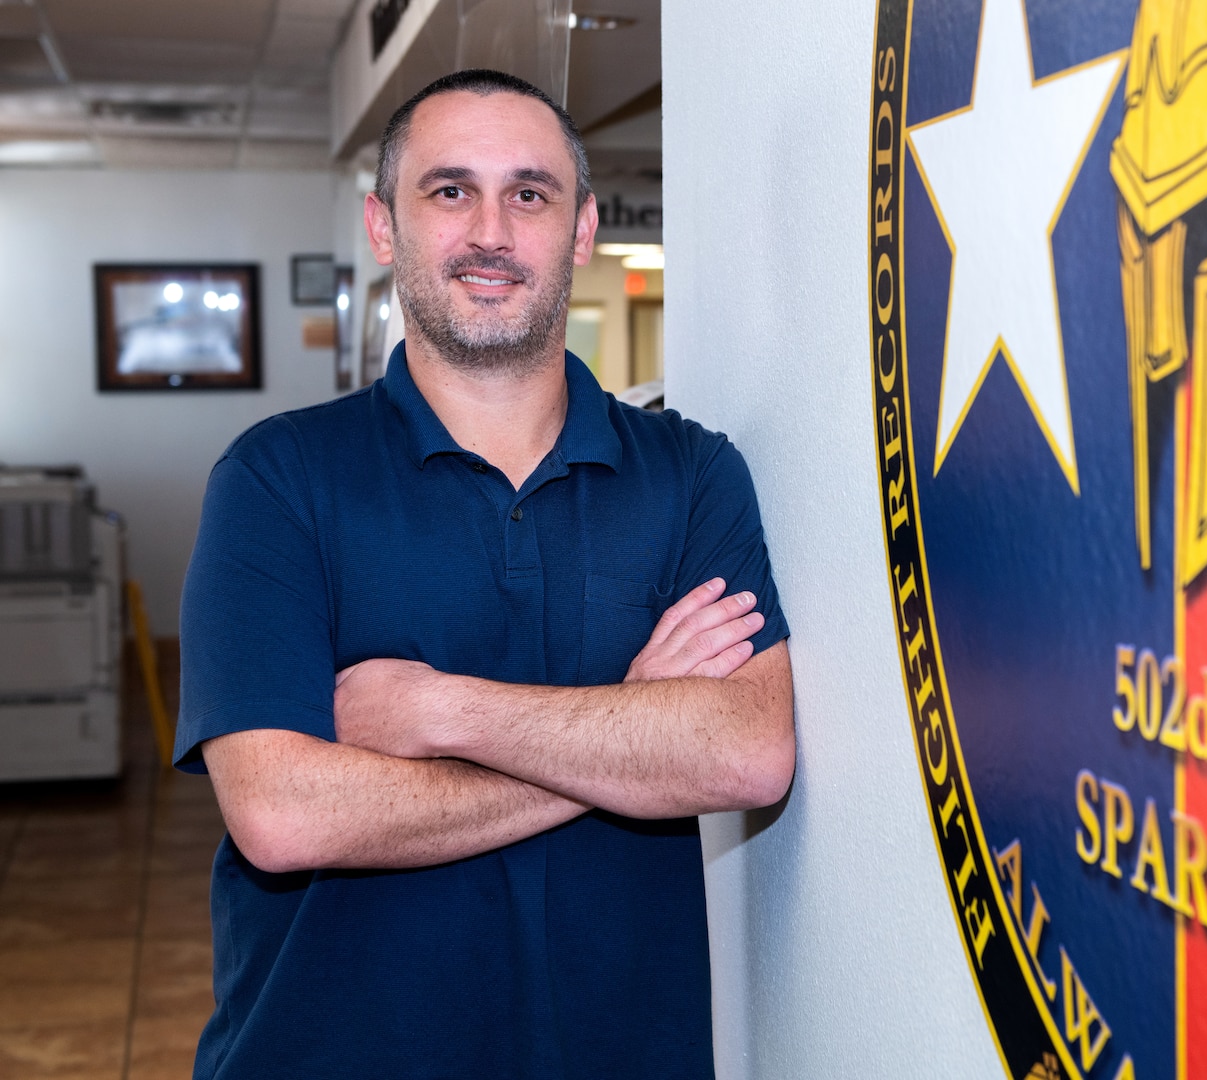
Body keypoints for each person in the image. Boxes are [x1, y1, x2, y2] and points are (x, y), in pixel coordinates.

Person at [175, 69, 794, 1078]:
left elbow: (746, 754)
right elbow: (284, 817)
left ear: (583, 230)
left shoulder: (691, 475)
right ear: (386, 227)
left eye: (532, 194)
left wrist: (439, 709)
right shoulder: (277, 477)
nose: (492, 232)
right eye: (450, 190)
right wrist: (628, 729)